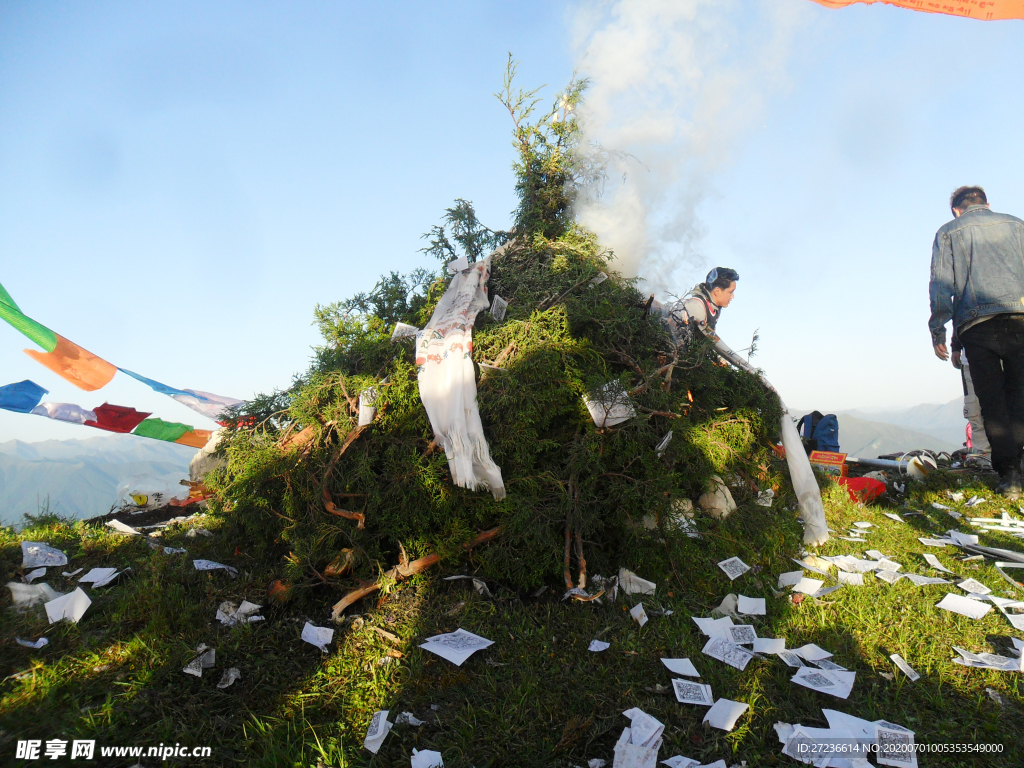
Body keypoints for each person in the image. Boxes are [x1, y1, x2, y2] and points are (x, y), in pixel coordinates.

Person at [929, 186, 1024, 498]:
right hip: (1020, 318)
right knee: (1019, 396)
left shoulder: (949, 232)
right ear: (987, 204)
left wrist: (939, 330)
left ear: (957, 210)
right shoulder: (1017, 225)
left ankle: (1010, 476)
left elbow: (944, 287)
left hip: (978, 328)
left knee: (992, 402)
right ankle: (1017, 466)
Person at [666, 267, 740, 343]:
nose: (732, 296)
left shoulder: (713, 308)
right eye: (731, 292)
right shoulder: (696, 306)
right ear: (717, 291)